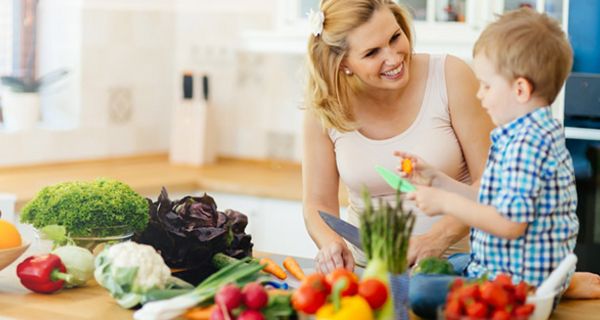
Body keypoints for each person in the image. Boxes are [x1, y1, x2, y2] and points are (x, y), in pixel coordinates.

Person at [398, 7, 588, 316]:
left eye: (486, 85)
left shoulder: (527, 144)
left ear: (520, 89)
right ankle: (565, 284)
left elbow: (509, 224)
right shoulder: (526, 134)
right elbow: (493, 200)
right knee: (444, 267)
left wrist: (445, 202)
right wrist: (437, 181)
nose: (479, 95)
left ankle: (558, 289)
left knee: (418, 290)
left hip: (516, 289)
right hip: (503, 269)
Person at [302, 0, 493, 275]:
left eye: (395, 37)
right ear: (343, 63)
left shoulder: (450, 75)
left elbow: (491, 182)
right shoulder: (326, 106)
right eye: (372, 53)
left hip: (457, 268)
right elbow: (317, 204)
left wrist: (436, 239)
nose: (393, 58)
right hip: (368, 273)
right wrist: (331, 243)